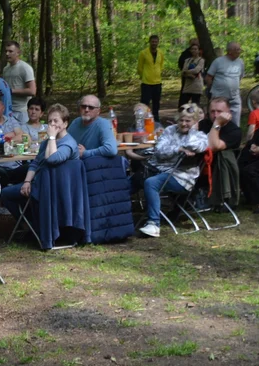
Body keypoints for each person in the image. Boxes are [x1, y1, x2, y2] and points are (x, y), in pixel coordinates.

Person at [130, 104, 208, 238]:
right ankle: (117, 217)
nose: (183, 124)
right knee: (132, 181)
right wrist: (178, 149)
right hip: (157, 169)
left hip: (182, 177)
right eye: (181, 120)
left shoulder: (200, 136)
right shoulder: (170, 130)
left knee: (151, 183)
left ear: (195, 122)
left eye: (188, 121)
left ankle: (154, 224)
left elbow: (197, 146)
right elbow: (159, 150)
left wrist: (191, 132)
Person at [0, 103, 79, 214]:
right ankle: (29, 223)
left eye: (56, 121)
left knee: (7, 193)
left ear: (65, 123)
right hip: (41, 183)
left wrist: (51, 137)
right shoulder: (47, 142)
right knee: (5, 193)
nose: (52, 124)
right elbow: (35, 163)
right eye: (50, 121)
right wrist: (27, 181)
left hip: (57, 189)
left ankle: (34, 225)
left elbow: (52, 159)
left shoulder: (68, 143)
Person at [205, 42, 245, 126]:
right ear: (230, 51)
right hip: (219, 97)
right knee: (218, 121)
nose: (240, 51)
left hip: (235, 97)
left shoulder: (240, 62)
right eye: (237, 50)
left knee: (235, 122)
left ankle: (234, 137)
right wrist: (213, 90)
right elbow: (208, 78)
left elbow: (240, 77)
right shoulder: (218, 61)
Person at [67, 94, 118, 159]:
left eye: (91, 107)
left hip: (95, 165)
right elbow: (65, 142)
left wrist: (86, 153)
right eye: (83, 106)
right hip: (75, 163)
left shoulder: (103, 124)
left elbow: (111, 149)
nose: (86, 110)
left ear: (98, 111)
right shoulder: (75, 122)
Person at [2, 41, 36, 121]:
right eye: (6, 51)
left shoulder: (25, 68)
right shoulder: (5, 69)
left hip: (22, 111)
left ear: (18, 53)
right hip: (8, 110)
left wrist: (11, 91)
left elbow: (32, 91)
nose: (7, 54)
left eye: (10, 51)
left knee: (23, 133)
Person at [137, 34, 164, 119]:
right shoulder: (143, 53)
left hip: (157, 82)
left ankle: (156, 118)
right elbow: (139, 67)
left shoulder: (160, 53)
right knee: (145, 102)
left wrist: (159, 73)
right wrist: (143, 76)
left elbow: (161, 65)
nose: (154, 43)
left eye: (156, 42)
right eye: (152, 41)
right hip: (146, 82)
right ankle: (143, 118)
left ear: (158, 43)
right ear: (149, 42)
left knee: (156, 102)